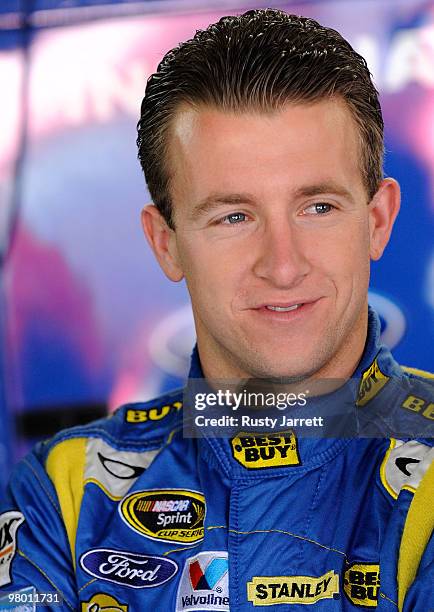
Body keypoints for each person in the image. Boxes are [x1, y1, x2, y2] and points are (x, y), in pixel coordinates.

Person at [1, 8, 433, 611]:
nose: (282, 266)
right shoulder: (68, 491)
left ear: (378, 221)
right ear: (167, 242)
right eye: (234, 216)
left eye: (318, 208)